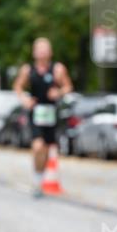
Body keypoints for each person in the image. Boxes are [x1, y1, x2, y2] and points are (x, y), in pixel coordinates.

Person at [12, 37, 72, 197]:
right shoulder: (27, 70)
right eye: (39, 48)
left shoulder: (58, 69)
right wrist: (25, 99)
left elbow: (68, 86)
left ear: (50, 52)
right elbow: (17, 86)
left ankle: (39, 177)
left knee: (46, 150)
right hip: (35, 112)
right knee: (37, 146)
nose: (42, 51)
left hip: (51, 113)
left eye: (45, 48)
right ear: (34, 52)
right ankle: (37, 181)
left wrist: (58, 92)